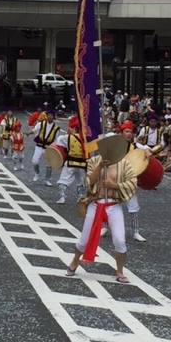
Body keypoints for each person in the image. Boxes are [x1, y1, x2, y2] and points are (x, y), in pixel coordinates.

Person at [65, 152, 137, 283]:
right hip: (96, 203)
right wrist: (99, 167)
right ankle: (75, 261)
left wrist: (115, 186)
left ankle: (120, 270)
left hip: (114, 205)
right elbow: (87, 183)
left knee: (120, 240)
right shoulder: (94, 161)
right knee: (84, 241)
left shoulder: (124, 163)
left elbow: (133, 182)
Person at [55, 114, 86, 204]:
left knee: (63, 180)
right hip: (82, 164)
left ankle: (62, 197)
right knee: (81, 181)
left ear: (75, 128)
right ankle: (80, 196)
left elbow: (58, 141)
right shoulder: (87, 139)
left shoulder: (68, 138)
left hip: (70, 163)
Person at [26, 109, 62, 186]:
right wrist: (29, 133)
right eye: (48, 115)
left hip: (48, 147)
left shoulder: (56, 128)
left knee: (49, 164)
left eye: (51, 116)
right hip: (39, 145)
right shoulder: (41, 124)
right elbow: (35, 130)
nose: (50, 117)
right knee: (34, 161)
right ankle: (37, 173)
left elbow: (56, 140)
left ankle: (47, 179)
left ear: (53, 117)